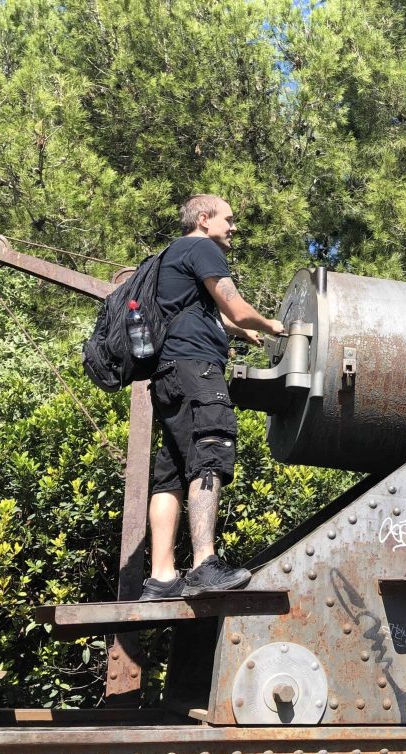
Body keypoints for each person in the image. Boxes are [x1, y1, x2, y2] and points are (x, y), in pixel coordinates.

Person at [139, 194, 285, 600]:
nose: (233, 227)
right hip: (197, 370)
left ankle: (162, 578)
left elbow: (205, 312)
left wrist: (240, 332)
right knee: (210, 451)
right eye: (229, 219)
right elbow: (235, 306)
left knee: (169, 473)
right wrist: (270, 324)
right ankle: (204, 564)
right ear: (204, 219)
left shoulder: (171, 254)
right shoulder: (202, 247)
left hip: (168, 375)